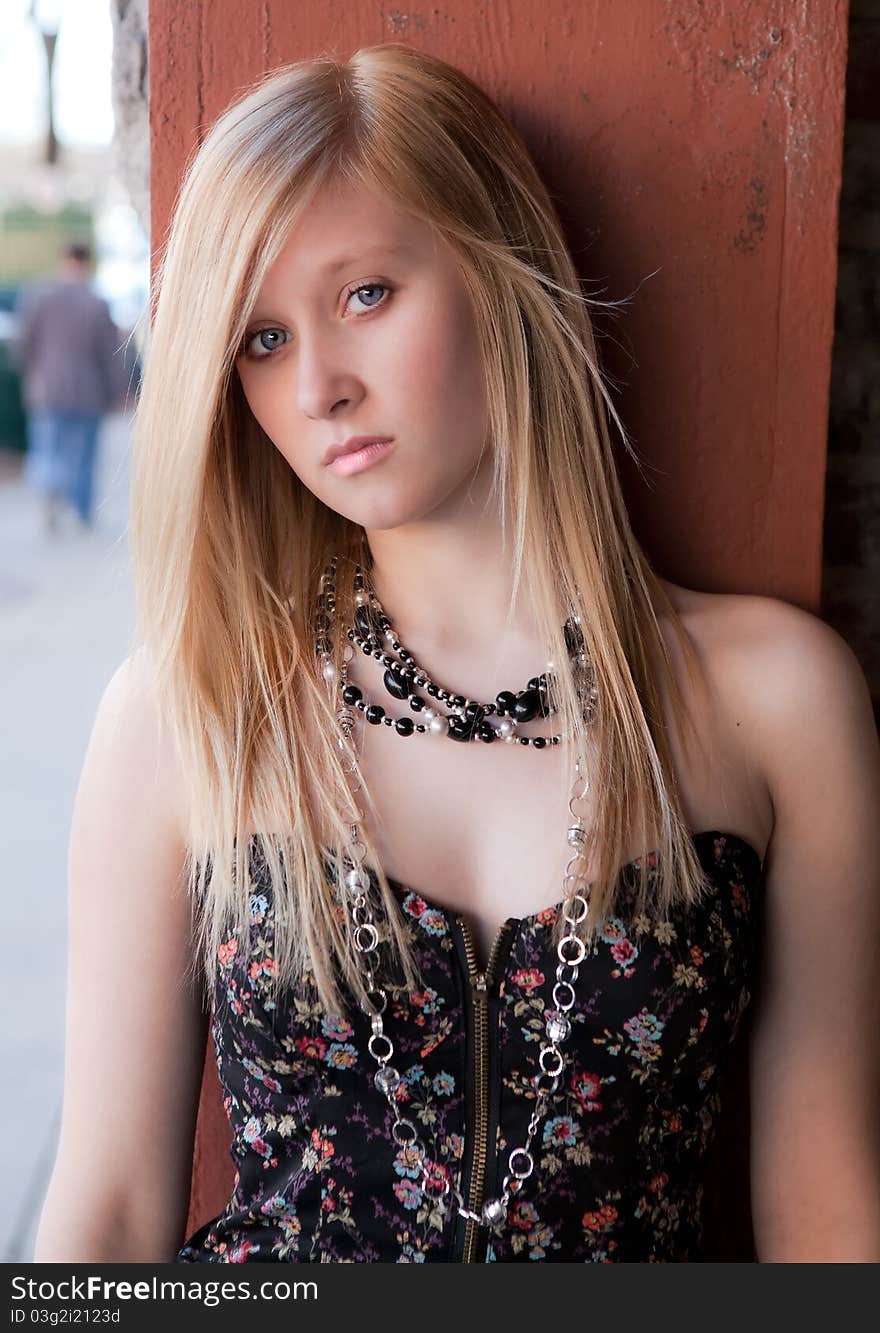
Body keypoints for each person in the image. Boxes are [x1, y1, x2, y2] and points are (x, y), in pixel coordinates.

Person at [33, 45, 880, 1264]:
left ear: (501, 275)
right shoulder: (189, 710)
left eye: (364, 294)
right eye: (262, 340)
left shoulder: (773, 698)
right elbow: (106, 1214)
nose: (319, 384)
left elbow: (827, 1220)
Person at [15, 240, 126, 532]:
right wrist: (118, 390)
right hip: (90, 391)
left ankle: (51, 485)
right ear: (88, 263)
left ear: (63, 260)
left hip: (48, 388)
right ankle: (82, 510)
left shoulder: (39, 297)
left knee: (49, 446)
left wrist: (34, 372)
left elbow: (24, 344)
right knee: (85, 454)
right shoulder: (98, 303)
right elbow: (109, 353)